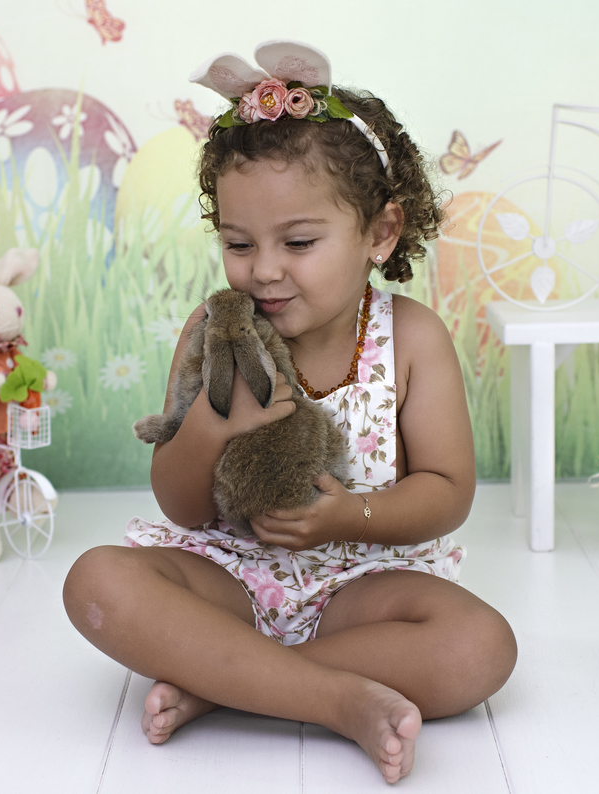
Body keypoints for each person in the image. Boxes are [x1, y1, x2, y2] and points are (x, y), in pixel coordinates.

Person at [63, 41, 516, 784]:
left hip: (359, 588)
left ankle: (227, 685)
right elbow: (180, 508)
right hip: (229, 579)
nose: (263, 269)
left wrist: (347, 518)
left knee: (481, 647)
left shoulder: (411, 339)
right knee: (96, 582)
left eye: (298, 242)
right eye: (238, 243)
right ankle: (333, 699)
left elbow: (447, 490)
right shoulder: (216, 333)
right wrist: (210, 426)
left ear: (380, 232)